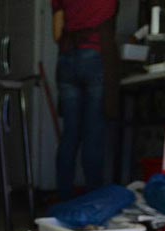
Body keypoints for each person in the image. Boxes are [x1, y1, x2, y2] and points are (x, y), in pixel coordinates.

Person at [52, 0, 118, 200]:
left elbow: (57, 33)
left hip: (67, 60)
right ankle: (93, 202)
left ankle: (63, 199)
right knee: (93, 134)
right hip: (95, 58)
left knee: (70, 134)